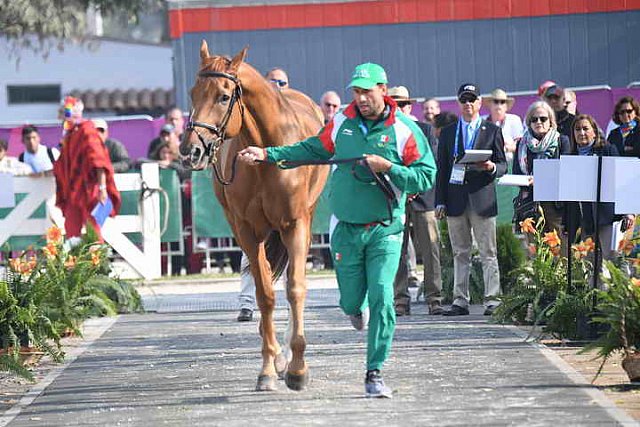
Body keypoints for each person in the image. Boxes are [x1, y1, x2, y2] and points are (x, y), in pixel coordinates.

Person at [238, 62, 436, 398]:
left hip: (385, 229)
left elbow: (426, 175)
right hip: (346, 230)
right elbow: (311, 149)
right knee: (350, 301)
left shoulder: (405, 130)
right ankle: (353, 309)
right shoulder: (342, 122)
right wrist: (267, 154)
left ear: (383, 90)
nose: (360, 98)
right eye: (356, 92)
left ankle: (374, 372)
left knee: (383, 297)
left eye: (366, 92)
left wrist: (389, 168)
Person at [435, 83, 507, 316]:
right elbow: (443, 170)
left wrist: (491, 166)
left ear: (479, 103)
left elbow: (504, 164)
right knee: (460, 252)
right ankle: (460, 300)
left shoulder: (492, 130)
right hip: (455, 199)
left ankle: (493, 300)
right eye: (464, 100)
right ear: (458, 103)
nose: (468, 104)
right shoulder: (448, 132)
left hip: (482, 198)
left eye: (472, 99)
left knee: (488, 252)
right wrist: (440, 201)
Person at [388, 86, 443, 317]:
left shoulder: (425, 130)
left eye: (403, 104)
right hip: (394, 197)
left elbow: (429, 165)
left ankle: (435, 298)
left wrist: (412, 188)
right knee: (395, 249)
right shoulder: (384, 132)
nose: (399, 108)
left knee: (430, 248)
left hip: (422, 197)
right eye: (394, 104)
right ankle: (400, 298)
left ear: (409, 106)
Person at [53, 96, 121, 243]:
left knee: (93, 231)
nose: (60, 116)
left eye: (63, 111)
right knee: (71, 231)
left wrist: (102, 188)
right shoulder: (70, 135)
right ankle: (75, 265)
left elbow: (99, 161)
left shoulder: (87, 130)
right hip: (74, 192)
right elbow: (63, 165)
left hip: (90, 190)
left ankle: (98, 264)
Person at [570, 114, 634, 261]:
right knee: (590, 262)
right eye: (577, 129)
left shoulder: (608, 150)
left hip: (607, 215)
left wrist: (628, 211)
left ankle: (621, 284)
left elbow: (622, 181)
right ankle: (595, 285)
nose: (581, 133)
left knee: (613, 258)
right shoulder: (570, 156)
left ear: (594, 131)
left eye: (585, 128)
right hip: (585, 218)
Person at [512, 101, 571, 237]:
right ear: (529, 122)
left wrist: (541, 180)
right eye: (534, 119)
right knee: (535, 249)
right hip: (530, 202)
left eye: (543, 119)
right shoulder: (522, 144)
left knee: (559, 246)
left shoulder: (562, 140)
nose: (539, 122)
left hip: (555, 203)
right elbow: (516, 172)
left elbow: (566, 171)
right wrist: (528, 181)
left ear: (551, 121)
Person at [482, 88, 524, 158]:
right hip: (487, 161)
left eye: (502, 102)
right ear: (490, 105)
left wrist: (507, 148)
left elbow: (520, 143)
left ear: (506, 106)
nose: (499, 105)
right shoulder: (482, 120)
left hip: (509, 160)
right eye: (496, 101)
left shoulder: (514, 120)